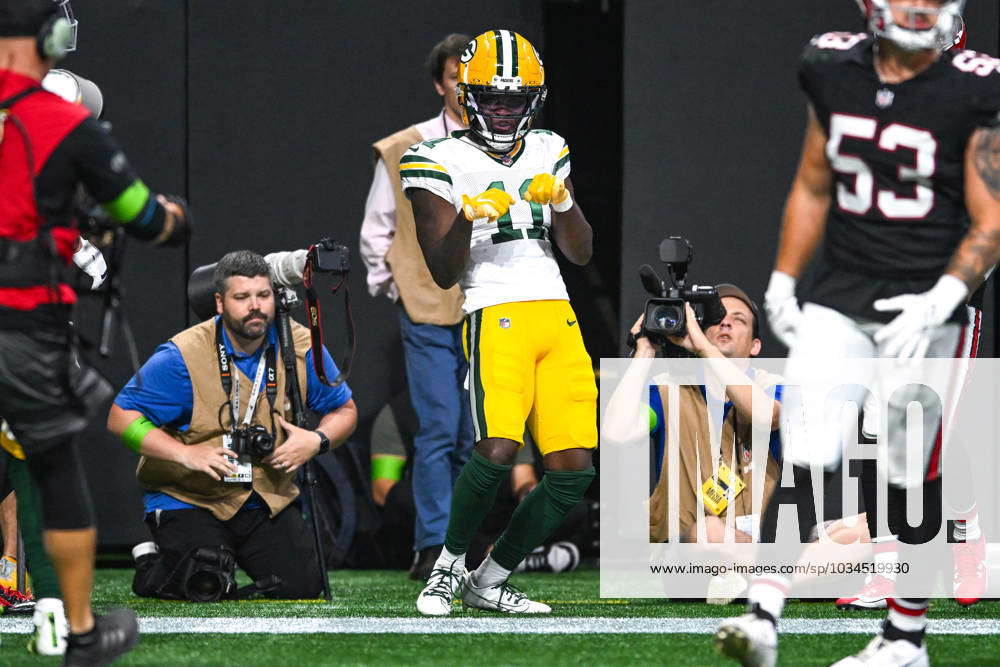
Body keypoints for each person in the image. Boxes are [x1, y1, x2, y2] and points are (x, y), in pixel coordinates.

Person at [715, 1, 1000, 665]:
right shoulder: (831, 67)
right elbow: (815, 182)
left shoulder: (976, 84)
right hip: (843, 292)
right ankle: (763, 612)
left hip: (929, 302)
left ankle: (905, 637)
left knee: (908, 469)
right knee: (809, 441)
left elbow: (992, 216)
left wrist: (946, 297)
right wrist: (783, 281)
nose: (922, 4)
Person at [0, 1, 192, 663]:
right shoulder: (60, 115)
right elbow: (140, 215)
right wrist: (169, 219)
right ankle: (70, 627)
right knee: (49, 467)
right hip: (22, 323)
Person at [406, 29, 598, 615]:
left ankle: (489, 579)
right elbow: (442, 270)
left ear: (532, 101)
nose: (502, 110)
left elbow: (583, 252)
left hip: (556, 312)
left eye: (514, 101)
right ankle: (447, 567)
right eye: (491, 98)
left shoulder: (548, 148)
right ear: (468, 95)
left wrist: (562, 201)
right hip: (494, 309)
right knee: (494, 447)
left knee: (573, 471)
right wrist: (467, 217)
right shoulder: (434, 156)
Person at [107, 251, 357, 600]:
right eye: (242, 297)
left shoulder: (297, 343)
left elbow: (344, 409)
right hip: (192, 497)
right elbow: (121, 417)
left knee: (302, 587)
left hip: (265, 497)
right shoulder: (183, 355)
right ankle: (151, 562)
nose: (255, 306)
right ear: (220, 303)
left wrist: (317, 440)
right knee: (203, 583)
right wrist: (186, 454)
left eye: (263, 295)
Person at [359, 33, 474, 581]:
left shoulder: (508, 145)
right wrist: (400, 284)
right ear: (439, 83)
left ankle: (463, 546)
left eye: (471, 77)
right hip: (427, 306)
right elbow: (377, 229)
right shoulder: (407, 145)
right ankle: (432, 547)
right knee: (438, 427)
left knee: (476, 433)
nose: (463, 87)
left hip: (488, 303)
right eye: (455, 77)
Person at [604, 285, 782, 545]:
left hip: (756, 553)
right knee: (708, 532)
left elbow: (765, 416)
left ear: (755, 346)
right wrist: (644, 351)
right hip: (687, 557)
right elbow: (616, 433)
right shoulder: (667, 390)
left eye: (738, 319)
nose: (725, 323)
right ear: (702, 331)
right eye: (716, 317)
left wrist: (704, 350)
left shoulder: (774, 386)